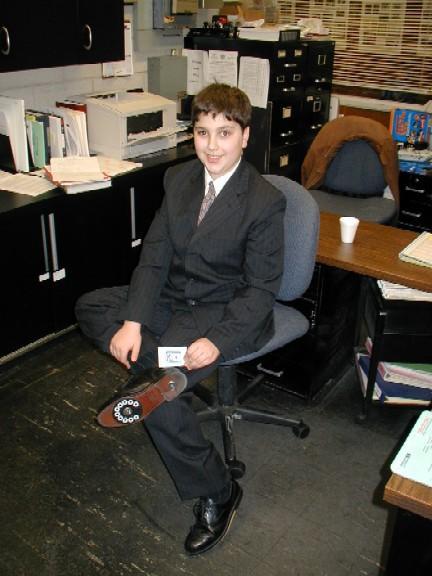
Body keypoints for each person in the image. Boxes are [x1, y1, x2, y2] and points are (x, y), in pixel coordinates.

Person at [75, 83, 286, 555]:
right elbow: (154, 256)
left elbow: (260, 291)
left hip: (224, 311)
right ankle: (159, 374)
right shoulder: (179, 180)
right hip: (174, 299)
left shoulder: (264, 201)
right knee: (91, 306)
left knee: (160, 399)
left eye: (224, 133)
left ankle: (219, 491)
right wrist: (133, 321)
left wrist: (218, 340)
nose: (212, 145)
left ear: (245, 136)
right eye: (202, 132)